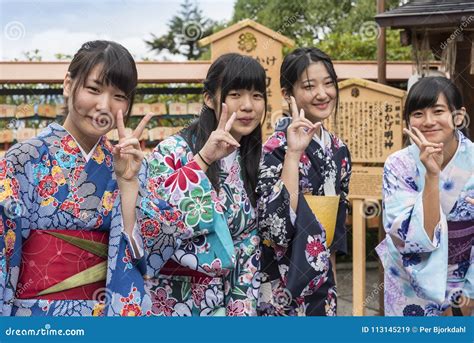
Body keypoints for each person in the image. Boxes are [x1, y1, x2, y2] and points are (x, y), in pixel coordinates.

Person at [0, 40, 185, 316]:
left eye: (119, 96)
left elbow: (156, 251)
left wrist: (128, 183)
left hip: (107, 313)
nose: (104, 105)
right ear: (68, 85)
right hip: (37, 315)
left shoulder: (130, 166)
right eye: (94, 89)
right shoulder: (22, 160)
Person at [144, 53, 265, 316]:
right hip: (172, 298)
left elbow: (249, 245)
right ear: (209, 98)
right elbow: (155, 225)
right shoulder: (172, 151)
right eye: (235, 94)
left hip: (232, 297)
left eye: (257, 95)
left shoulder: (256, 159)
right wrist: (204, 160)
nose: (248, 106)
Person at [257, 47, 351, 316]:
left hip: (322, 281)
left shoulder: (338, 149)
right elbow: (275, 229)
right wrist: (293, 155)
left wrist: (329, 275)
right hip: (281, 279)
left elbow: (336, 226)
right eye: (309, 86)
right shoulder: (275, 147)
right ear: (288, 94)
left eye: (329, 83)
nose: (322, 94)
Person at [377, 76, 473, 316]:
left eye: (438, 111)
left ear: (458, 116)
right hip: (409, 283)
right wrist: (432, 176)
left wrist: (471, 290)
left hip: (466, 278)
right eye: (418, 114)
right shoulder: (398, 165)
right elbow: (408, 237)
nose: (428, 121)